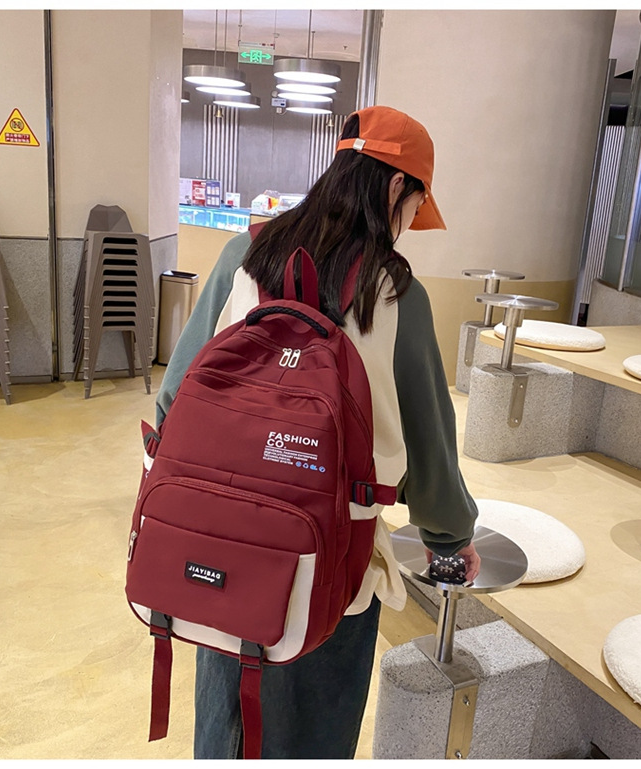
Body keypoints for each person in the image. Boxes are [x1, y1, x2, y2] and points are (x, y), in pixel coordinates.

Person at [155, 104, 481, 759]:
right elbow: (429, 454)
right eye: (416, 207)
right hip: (335, 567)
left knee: (226, 717)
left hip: (224, 547)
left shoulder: (245, 254)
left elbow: (173, 401)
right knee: (312, 732)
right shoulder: (397, 294)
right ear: (397, 185)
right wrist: (451, 537)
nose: (410, 224)